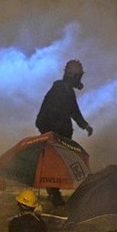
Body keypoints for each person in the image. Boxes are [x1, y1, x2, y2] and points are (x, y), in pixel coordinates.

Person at [36, 59, 93, 205]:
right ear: (74, 76)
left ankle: (54, 193)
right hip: (55, 133)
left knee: (58, 163)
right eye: (79, 76)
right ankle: (54, 194)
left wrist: (84, 125)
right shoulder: (60, 90)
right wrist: (54, 134)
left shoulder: (64, 90)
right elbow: (52, 115)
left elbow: (73, 111)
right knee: (56, 164)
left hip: (58, 133)